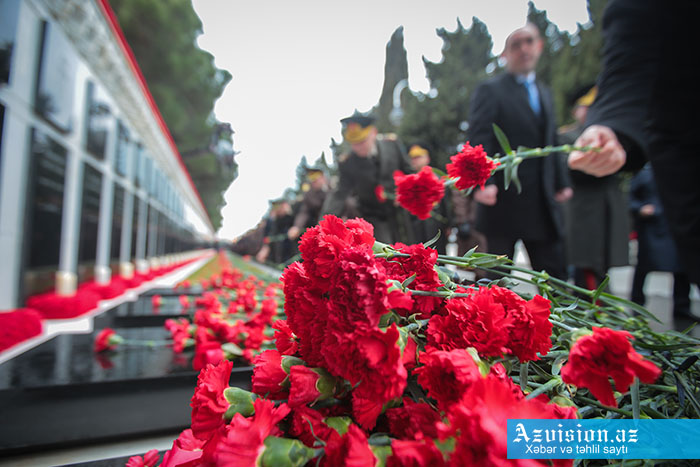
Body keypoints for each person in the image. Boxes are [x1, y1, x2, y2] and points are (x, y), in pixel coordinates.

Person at [568, 0, 700, 286]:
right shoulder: (571, 138)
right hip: (684, 142)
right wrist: (612, 126)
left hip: (609, 212)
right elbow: (636, 34)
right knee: (584, 273)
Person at [467, 23, 572, 280]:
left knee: (554, 280)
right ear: (505, 54)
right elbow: (479, 137)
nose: (523, 49)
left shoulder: (545, 93)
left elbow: (551, 141)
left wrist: (561, 181)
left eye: (528, 42)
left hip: (542, 203)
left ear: (539, 46)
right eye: (516, 45)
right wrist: (483, 182)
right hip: (503, 201)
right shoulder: (491, 90)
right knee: (498, 280)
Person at [559, 85, 629, 290]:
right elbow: (563, 168)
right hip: (584, 213)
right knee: (586, 266)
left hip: (607, 209)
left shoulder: (612, 137)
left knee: (603, 264)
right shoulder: (568, 137)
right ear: (576, 110)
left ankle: (601, 307)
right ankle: (594, 310)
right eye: (585, 107)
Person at [322, 112, 413, 244]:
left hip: (400, 213)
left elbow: (408, 171)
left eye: (362, 141)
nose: (358, 147)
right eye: (354, 143)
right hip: (373, 217)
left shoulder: (392, 145)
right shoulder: (348, 163)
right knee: (387, 255)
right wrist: (323, 224)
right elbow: (339, 195)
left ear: (373, 133)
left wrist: (405, 192)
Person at [629, 164, 692, 320]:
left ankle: (682, 306)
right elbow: (630, 198)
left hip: (675, 224)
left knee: (681, 268)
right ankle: (637, 303)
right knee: (645, 265)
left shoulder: (682, 172)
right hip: (652, 226)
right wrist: (640, 208)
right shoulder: (646, 174)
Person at [404, 142, 451, 254]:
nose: (415, 160)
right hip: (416, 229)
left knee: (438, 259)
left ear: (427, 158)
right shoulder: (409, 181)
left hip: (436, 227)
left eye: (418, 157)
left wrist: (449, 224)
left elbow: (447, 204)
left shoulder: (437, 178)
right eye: (412, 158)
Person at [287, 167, 329, 241]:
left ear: (323, 178)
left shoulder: (334, 189)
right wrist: (297, 227)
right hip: (321, 229)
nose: (313, 181)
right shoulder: (309, 195)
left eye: (316, 178)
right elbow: (304, 212)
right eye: (311, 179)